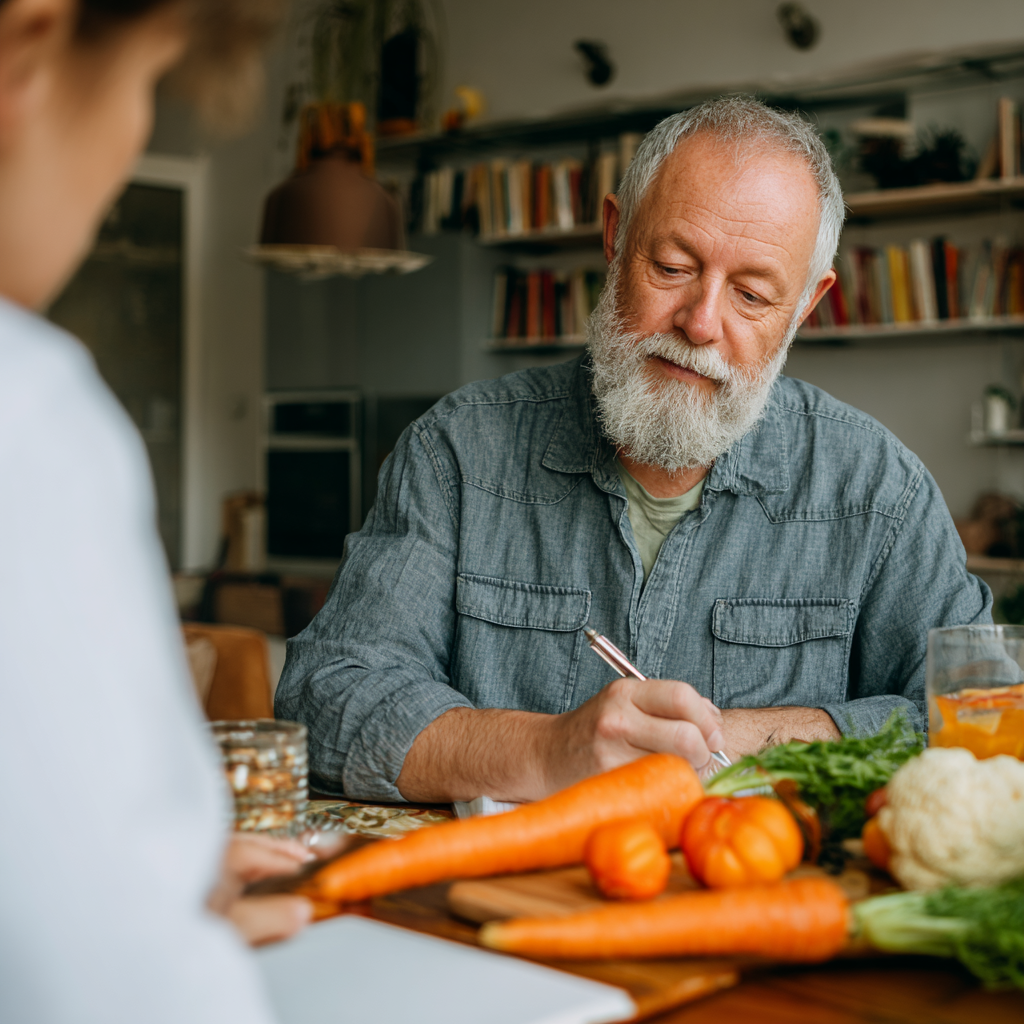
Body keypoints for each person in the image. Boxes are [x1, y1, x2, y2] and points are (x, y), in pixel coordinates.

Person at [277, 97, 991, 805]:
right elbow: (328, 695)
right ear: (616, 237)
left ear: (806, 305)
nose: (701, 323)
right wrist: (547, 750)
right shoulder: (455, 454)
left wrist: (730, 739)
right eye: (674, 266)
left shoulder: (878, 490)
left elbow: (985, 712)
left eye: (750, 294)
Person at [0, 2, 311, 1022]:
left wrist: (121, 874)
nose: (132, 137)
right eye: (144, 83)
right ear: (26, 47)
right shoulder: (29, 419)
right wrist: (144, 921)